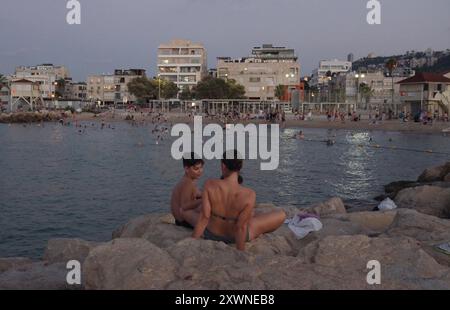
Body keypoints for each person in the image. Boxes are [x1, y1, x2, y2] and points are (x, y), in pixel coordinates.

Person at [190, 150, 286, 251]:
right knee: (281, 214)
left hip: (211, 233)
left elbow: (204, 217)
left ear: (223, 166)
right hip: (234, 237)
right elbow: (241, 227)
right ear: (240, 167)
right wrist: (241, 252)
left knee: (250, 215)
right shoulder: (249, 194)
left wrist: (193, 240)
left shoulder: (209, 184)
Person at [170, 153, 204, 229]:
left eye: (201, 168)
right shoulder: (187, 183)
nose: (200, 171)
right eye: (196, 169)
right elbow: (184, 206)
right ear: (186, 169)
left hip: (180, 220)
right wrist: (202, 200)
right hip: (183, 221)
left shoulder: (188, 180)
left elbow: (197, 193)